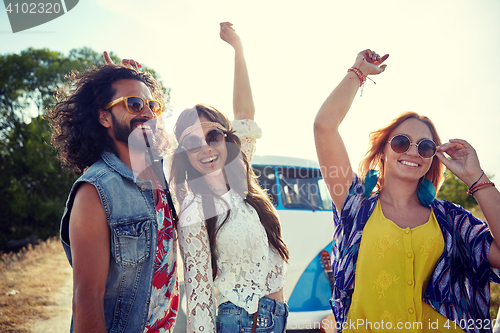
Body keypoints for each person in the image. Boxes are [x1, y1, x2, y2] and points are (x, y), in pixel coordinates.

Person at [314, 49, 500, 332]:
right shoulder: (355, 204)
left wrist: (477, 178)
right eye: (402, 142)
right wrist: (358, 72)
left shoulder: (451, 219)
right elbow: (324, 126)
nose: (413, 151)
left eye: (425, 146)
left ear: (432, 159)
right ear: (383, 150)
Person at [170, 22, 289, 333]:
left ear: (227, 139)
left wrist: (238, 49)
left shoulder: (240, 176)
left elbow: (246, 114)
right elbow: (198, 298)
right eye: (192, 143)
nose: (205, 148)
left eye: (213, 135)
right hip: (236, 324)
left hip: (274, 319)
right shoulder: (195, 211)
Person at [48, 57, 179, 332]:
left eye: (152, 106)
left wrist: (136, 78)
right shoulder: (95, 190)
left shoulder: (161, 179)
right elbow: (87, 299)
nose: (146, 113)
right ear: (104, 116)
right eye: (133, 104)